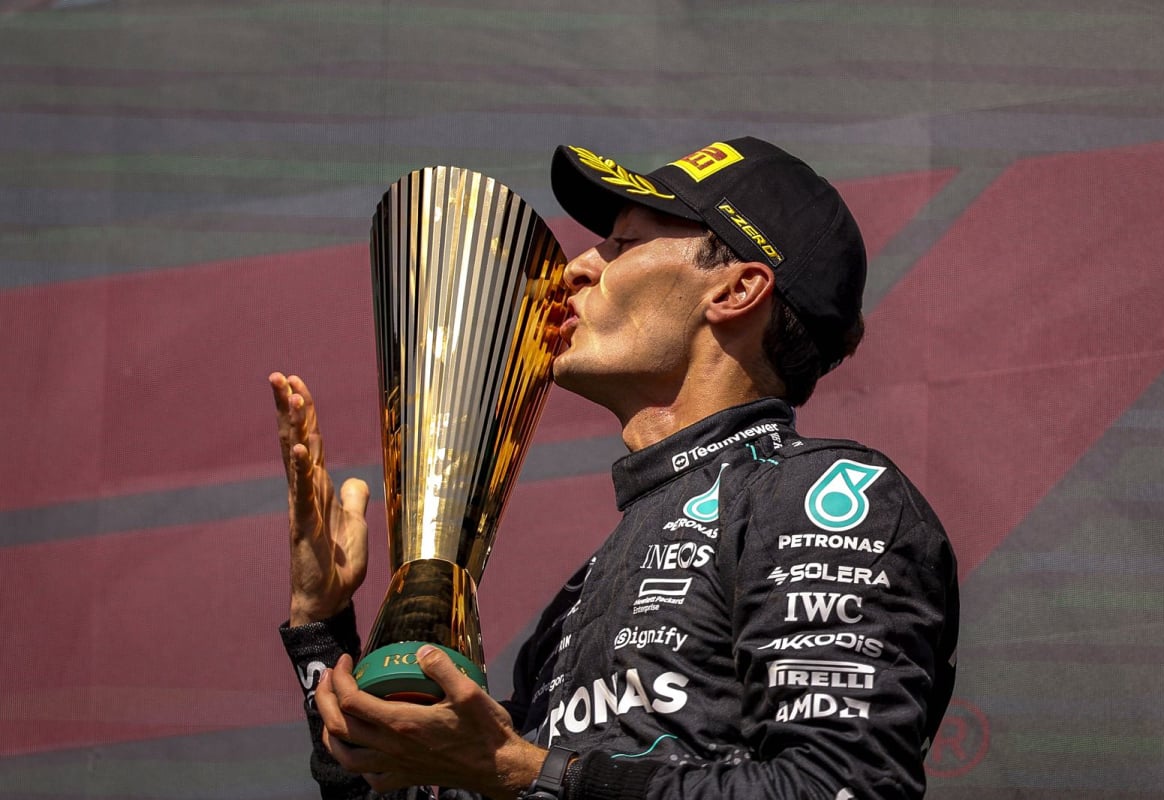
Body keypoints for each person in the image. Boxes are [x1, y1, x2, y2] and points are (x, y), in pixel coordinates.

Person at [270, 137, 959, 800]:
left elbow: (840, 787)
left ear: (738, 290)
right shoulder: (578, 599)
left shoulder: (821, 497)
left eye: (623, 244)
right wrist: (322, 623)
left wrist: (527, 774)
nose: (578, 266)